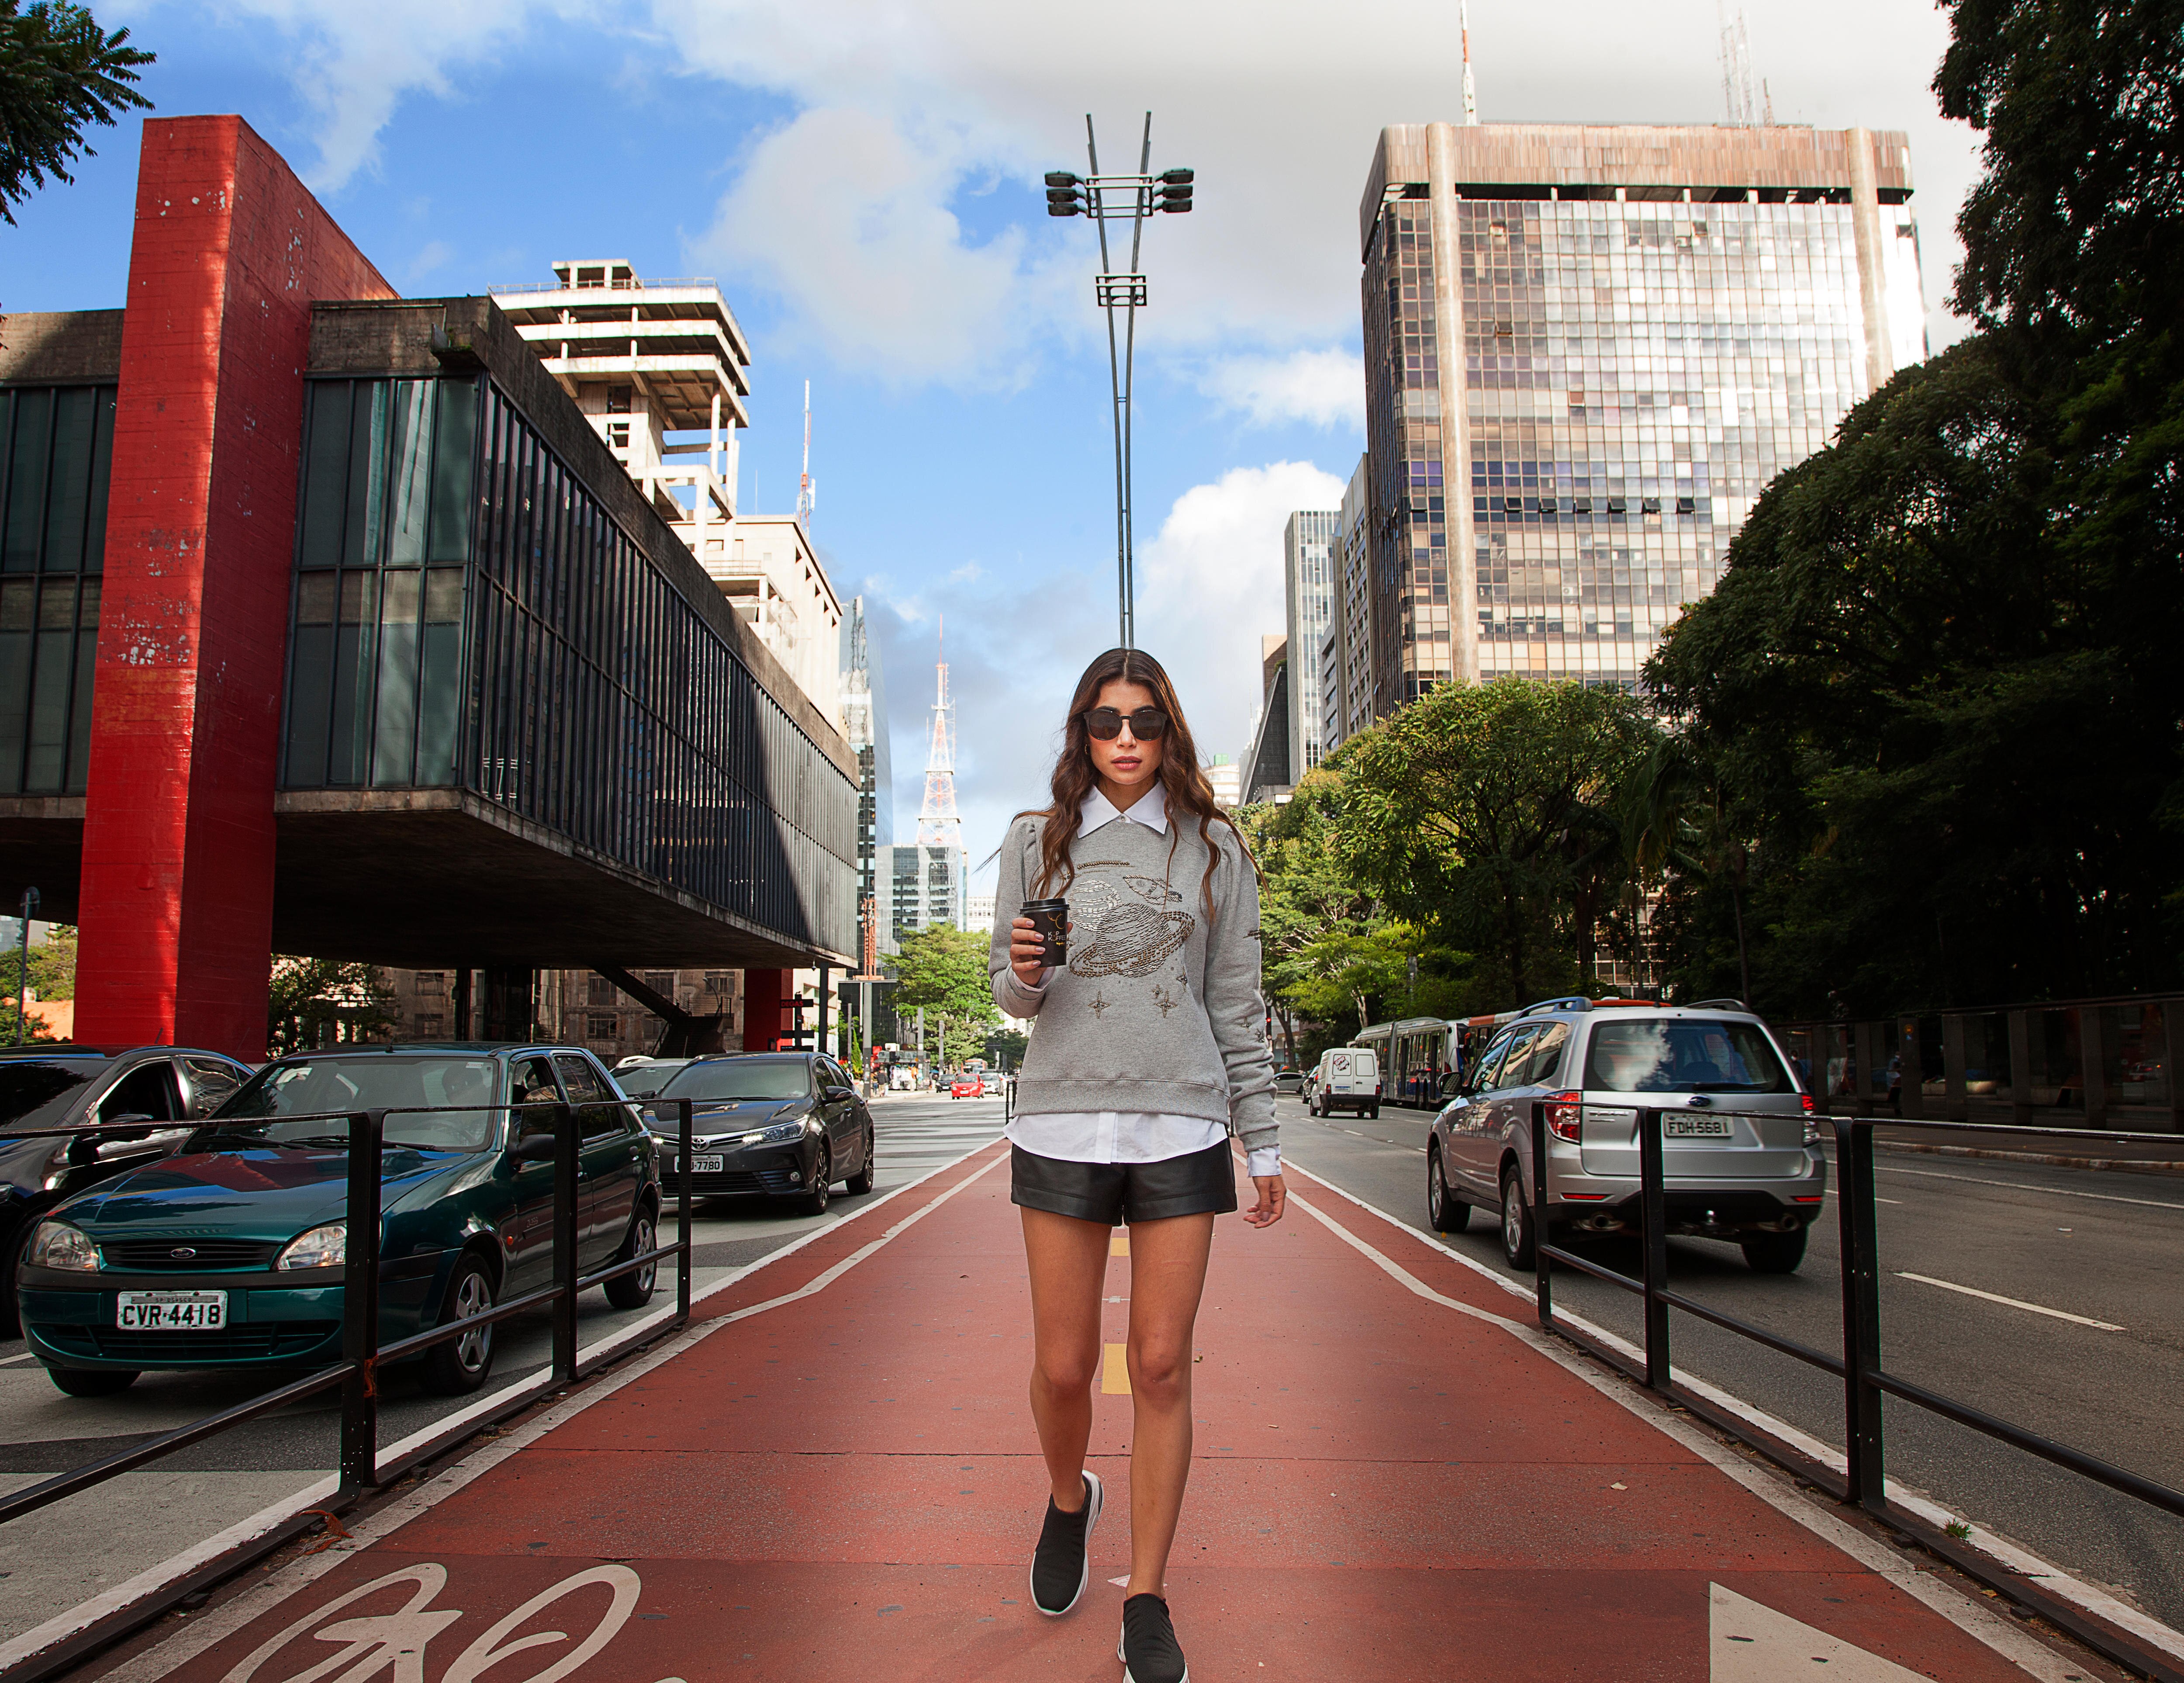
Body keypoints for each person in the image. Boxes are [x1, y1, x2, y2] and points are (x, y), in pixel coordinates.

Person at [992, 647, 1282, 1683]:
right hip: (1062, 1122)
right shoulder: (1037, 840)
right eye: (1105, 720)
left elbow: (1237, 1006)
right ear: (1081, 731)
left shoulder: (1216, 848)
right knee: (1066, 1367)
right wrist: (1025, 972)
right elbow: (1009, 996)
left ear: (1171, 733)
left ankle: (1147, 1595)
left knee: (1159, 1365)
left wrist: (1265, 1137)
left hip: (1182, 1123)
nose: (1125, 738)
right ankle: (1070, 1497)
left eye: (1145, 721)